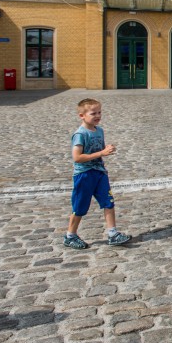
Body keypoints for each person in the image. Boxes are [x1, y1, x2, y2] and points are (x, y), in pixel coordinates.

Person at [64, 98, 131, 249]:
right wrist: (101, 152)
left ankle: (113, 234)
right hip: (84, 175)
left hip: (99, 172)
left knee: (108, 202)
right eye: (93, 113)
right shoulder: (80, 134)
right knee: (80, 206)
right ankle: (70, 235)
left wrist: (106, 149)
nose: (97, 116)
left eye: (99, 112)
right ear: (82, 116)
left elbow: (99, 150)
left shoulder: (99, 131)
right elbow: (77, 157)